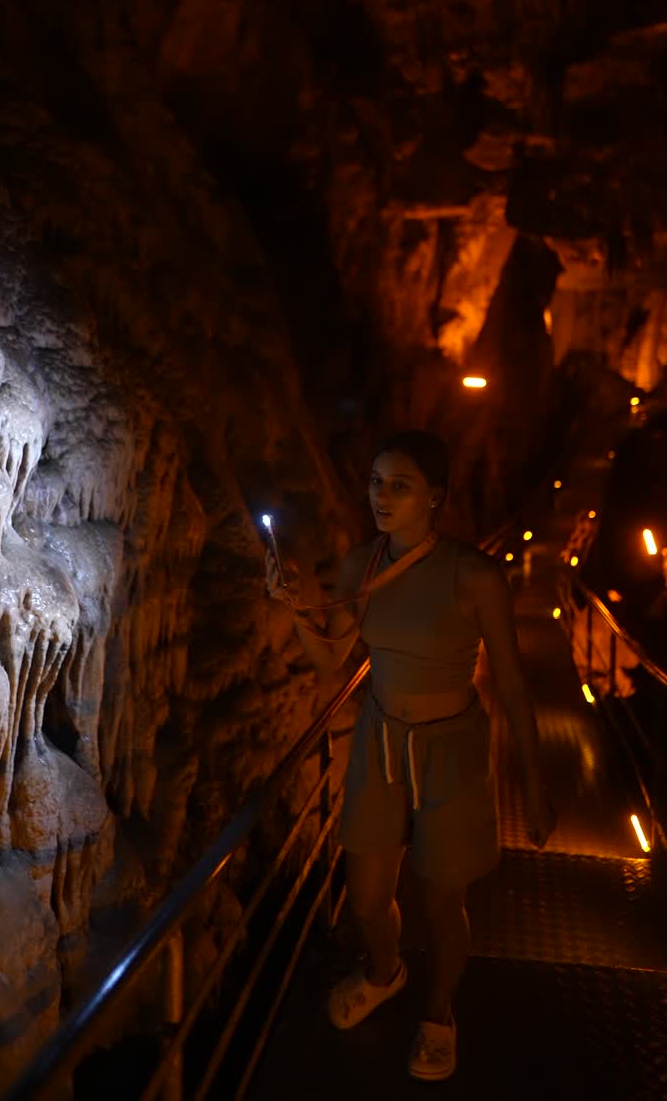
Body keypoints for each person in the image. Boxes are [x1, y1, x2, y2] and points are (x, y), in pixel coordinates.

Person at [265, 429, 556, 1083]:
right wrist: (295, 611)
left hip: (452, 745)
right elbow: (332, 663)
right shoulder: (360, 565)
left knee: (441, 900)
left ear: (435, 497)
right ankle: (385, 972)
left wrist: (535, 784)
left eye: (400, 485)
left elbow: (509, 681)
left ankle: (439, 1012)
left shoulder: (474, 573)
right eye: (375, 482)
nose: (382, 496)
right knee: (367, 898)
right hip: (380, 738)